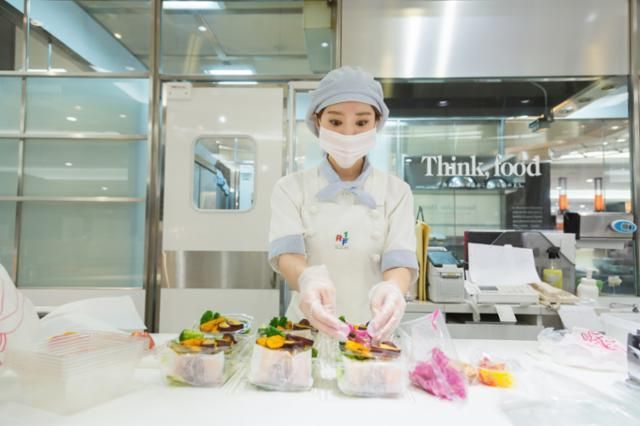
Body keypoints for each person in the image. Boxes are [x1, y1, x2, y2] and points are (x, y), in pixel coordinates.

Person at [268, 67, 418, 341]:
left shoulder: (397, 192)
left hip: (371, 333)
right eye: (336, 122)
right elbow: (288, 256)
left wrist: (394, 290)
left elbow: (399, 262)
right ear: (318, 120)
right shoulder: (290, 188)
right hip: (305, 330)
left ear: (377, 122)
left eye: (361, 122)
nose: (348, 133)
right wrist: (307, 280)